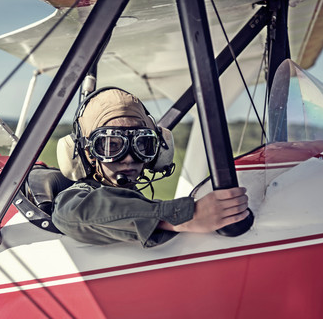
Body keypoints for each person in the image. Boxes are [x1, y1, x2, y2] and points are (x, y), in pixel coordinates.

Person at [52, 87, 249, 247]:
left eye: (141, 144)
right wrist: (185, 215)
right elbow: (72, 213)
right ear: (87, 153)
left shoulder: (140, 202)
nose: (129, 158)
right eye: (112, 145)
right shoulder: (76, 197)